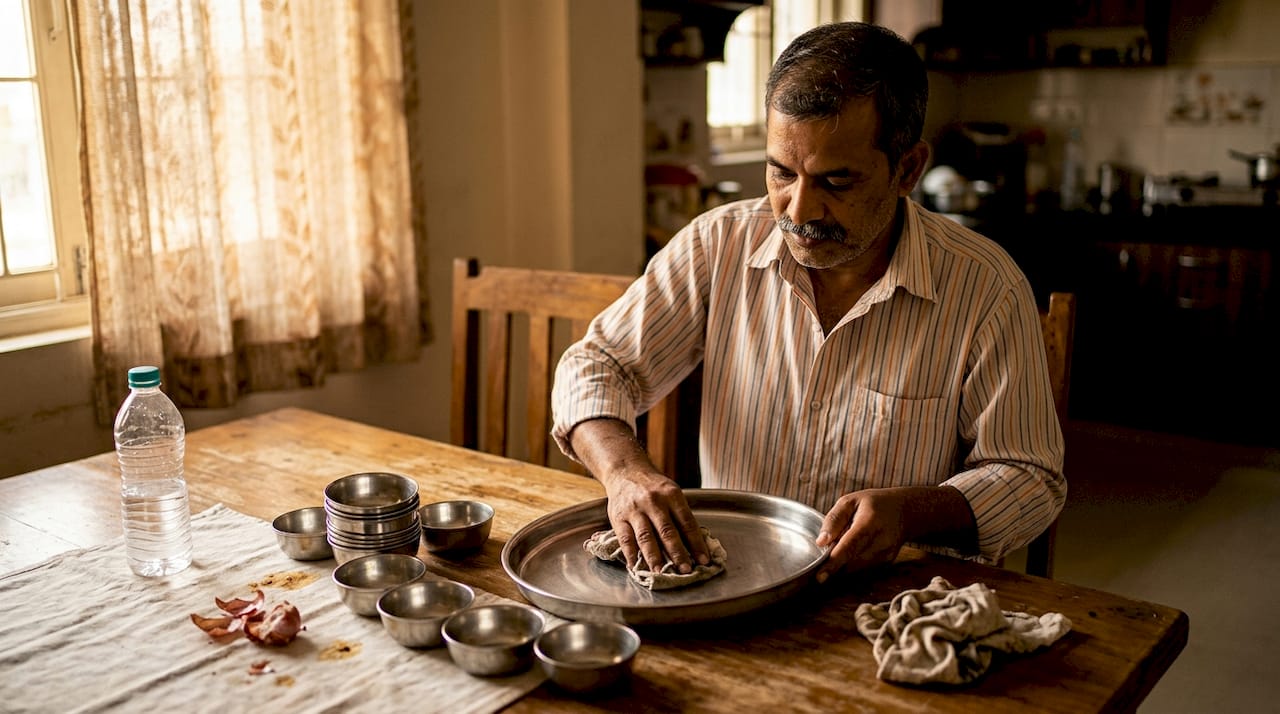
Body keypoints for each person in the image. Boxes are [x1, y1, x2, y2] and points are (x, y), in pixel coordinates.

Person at [550, 21, 1065, 584]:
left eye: (836, 181)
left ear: (908, 170)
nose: (798, 211)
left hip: (892, 592)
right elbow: (595, 365)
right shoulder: (718, 244)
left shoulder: (985, 288)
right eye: (781, 172)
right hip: (732, 580)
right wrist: (625, 474)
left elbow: (1030, 476)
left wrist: (915, 511)